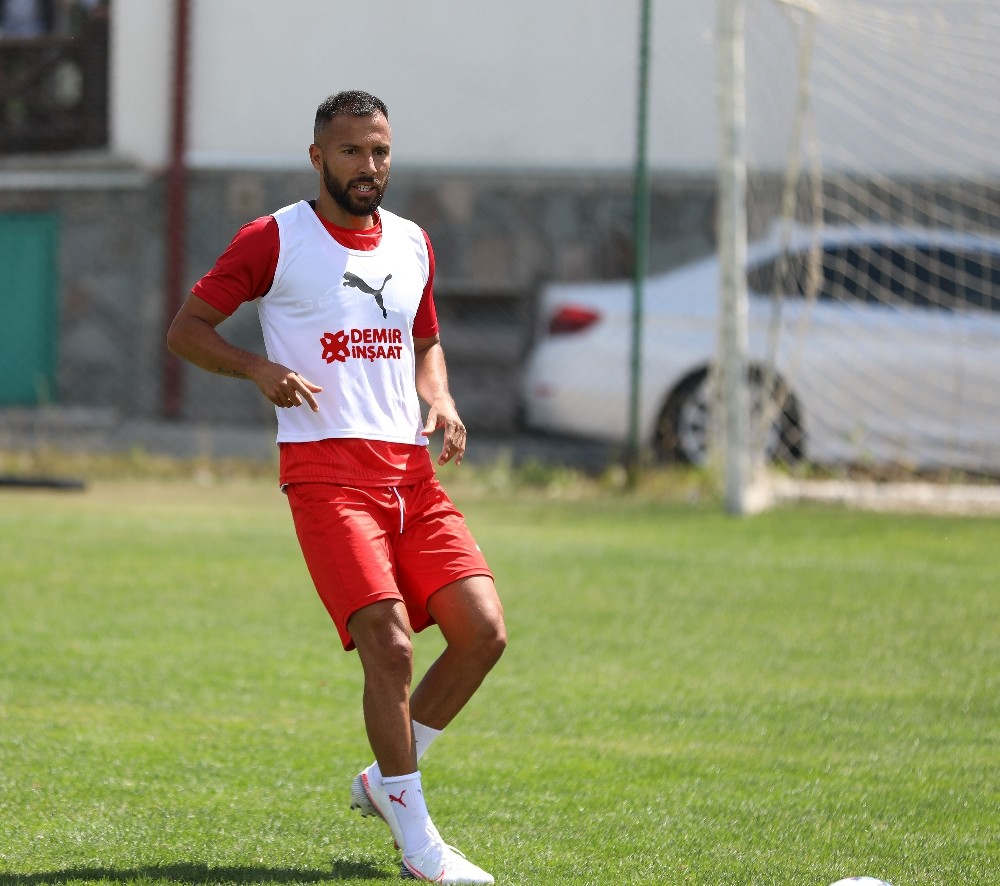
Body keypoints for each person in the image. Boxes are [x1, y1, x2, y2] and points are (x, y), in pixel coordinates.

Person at [166, 90, 506, 885]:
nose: (368, 165)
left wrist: (442, 398)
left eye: (379, 150)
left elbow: (425, 340)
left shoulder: (413, 242)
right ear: (318, 157)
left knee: (483, 631)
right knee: (389, 645)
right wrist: (257, 369)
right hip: (326, 473)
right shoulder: (274, 238)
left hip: (410, 473)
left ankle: (386, 779)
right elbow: (186, 330)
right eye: (351, 151)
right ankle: (420, 845)